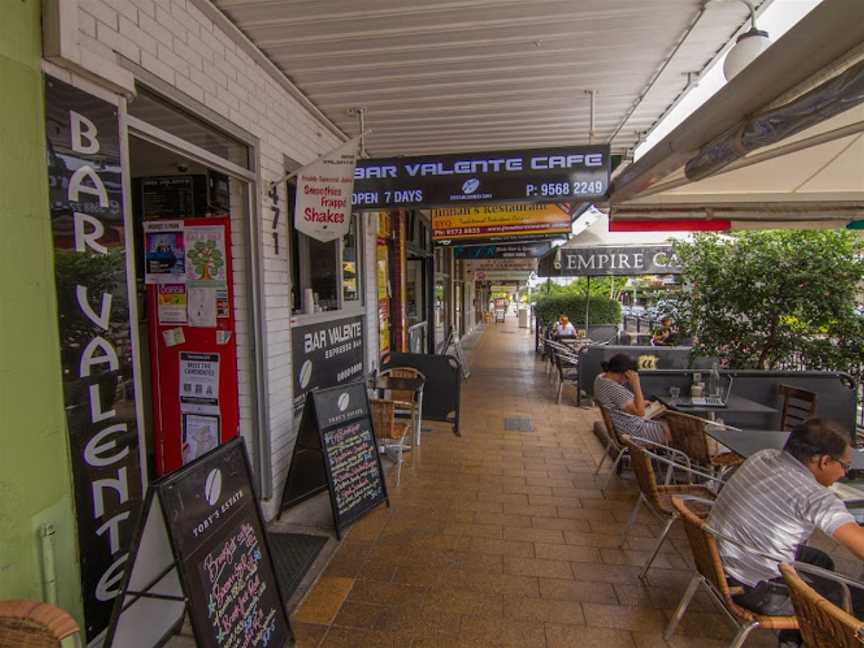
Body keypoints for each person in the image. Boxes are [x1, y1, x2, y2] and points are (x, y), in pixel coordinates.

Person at [708, 418, 864, 647]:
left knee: (820, 561)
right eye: (845, 467)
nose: (843, 474)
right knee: (856, 600)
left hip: (719, 563)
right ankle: (811, 631)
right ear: (824, 461)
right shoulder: (814, 497)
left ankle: (796, 640)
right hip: (754, 587)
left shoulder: (763, 457)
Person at [593, 354, 670, 444]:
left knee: (665, 422)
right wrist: (636, 383)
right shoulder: (614, 388)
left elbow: (621, 404)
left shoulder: (601, 378)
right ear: (625, 373)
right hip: (634, 432)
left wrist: (642, 402)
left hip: (626, 426)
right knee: (675, 429)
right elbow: (640, 412)